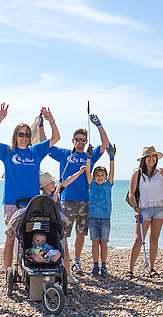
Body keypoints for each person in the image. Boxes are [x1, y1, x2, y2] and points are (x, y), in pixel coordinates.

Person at [0, 104, 60, 273]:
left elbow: (55, 138)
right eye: (21, 134)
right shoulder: (7, 151)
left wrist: (51, 121)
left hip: (32, 204)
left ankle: (26, 267)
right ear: (16, 136)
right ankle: (8, 270)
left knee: (26, 237)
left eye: (27, 134)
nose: (24, 137)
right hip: (12, 202)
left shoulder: (36, 151)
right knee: (11, 237)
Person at [45, 114, 111, 276]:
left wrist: (99, 124)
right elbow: (45, 146)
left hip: (85, 201)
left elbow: (105, 144)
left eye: (83, 139)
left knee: (81, 234)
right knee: (63, 234)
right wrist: (43, 125)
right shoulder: (64, 154)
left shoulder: (90, 154)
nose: (81, 142)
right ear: (73, 140)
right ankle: (61, 261)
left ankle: (76, 262)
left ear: (86, 141)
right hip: (66, 200)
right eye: (78, 139)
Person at [126, 146, 163, 278]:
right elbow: (131, 193)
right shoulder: (137, 172)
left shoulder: (160, 172)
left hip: (160, 209)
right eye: (149, 156)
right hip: (143, 209)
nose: (151, 159)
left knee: (154, 239)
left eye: (154, 156)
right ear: (144, 159)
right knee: (139, 240)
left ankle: (152, 268)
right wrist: (136, 209)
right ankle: (130, 270)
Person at [85, 144, 116, 277]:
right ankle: (95, 266)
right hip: (92, 218)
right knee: (94, 243)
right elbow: (87, 172)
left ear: (106, 177)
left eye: (102, 175)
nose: (99, 177)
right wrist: (89, 158)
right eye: (97, 175)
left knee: (103, 243)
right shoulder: (91, 185)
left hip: (105, 219)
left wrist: (111, 158)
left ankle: (104, 266)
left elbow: (112, 171)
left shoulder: (108, 185)